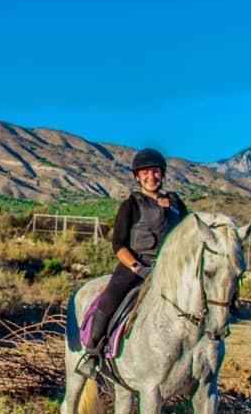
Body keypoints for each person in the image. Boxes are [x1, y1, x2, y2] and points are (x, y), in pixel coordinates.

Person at [78, 148, 187, 376]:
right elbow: (118, 244)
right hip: (136, 266)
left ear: (163, 174)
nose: (151, 177)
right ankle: (92, 352)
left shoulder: (178, 205)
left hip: (172, 268)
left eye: (155, 172)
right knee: (110, 298)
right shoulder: (131, 205)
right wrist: (139, 268)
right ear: (137, 176)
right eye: (145, 173)